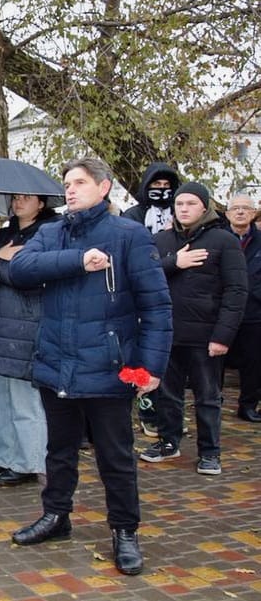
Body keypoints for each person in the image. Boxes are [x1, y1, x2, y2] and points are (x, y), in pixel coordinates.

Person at [8, 157, 172, 576]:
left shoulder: (129, 236)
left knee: (115, 457)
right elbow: (21, 269)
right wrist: (78, 260)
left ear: (104, 187)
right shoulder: (51, 231)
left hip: (108, 367)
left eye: (80, 182)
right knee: (59, 451)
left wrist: (151, 366)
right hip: (56, 365)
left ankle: (125, 531)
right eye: (67, 183)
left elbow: (156, 306)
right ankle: (56, 516)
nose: (70, 190)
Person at [141, 182, 246, 474]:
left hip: (206, 336)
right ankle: (168, 442)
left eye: (190, 204)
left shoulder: (223, 240)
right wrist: (176, 261)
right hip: (168, 334)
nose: (184, 209)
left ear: (204, 206)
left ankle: (210, 452)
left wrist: (223, 335)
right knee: (168, 394)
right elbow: (146, 277)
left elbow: (236, 291)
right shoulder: (162, 241)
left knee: (208, 397)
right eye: (179, 204)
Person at [0, 194, 59, 486]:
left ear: (41, 203)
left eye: (26, 198)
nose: (18, 202)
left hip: (24, 329)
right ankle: (5, 458)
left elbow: (25, 276)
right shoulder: (1, 234)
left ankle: (29, 462)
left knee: (24, 402)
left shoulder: (48, 235)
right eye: (15, 198)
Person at [122, 162, 180, 436]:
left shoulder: (180, 215)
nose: (161, 191)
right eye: (155, 186)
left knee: (166, 357)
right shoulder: (134, 216)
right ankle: (146, 407)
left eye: (166, 187)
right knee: (140, 355)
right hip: (138, 295)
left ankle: (170, 411)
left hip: (175, 294)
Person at [224, 193, 261, 423]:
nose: (240, 212)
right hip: (222, 312)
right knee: (215, 362)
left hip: (254, 313)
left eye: (245, 208)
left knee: (253, 362)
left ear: (254, 213)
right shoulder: (216, 239)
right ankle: (212, 402)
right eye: (235, 208)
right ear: (227, 214)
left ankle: (248, 405)